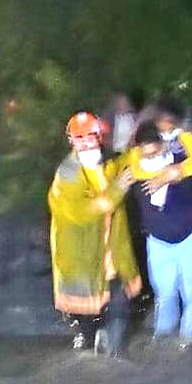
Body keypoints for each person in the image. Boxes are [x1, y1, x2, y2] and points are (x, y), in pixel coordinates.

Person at [47, 111, 141, 356]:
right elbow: (82, 212)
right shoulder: (67, 174)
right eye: (79, 138)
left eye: (91, 136)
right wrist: (117, 190)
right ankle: (89, 347)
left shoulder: (109, 161)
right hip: (81, 257)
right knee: (85, 315)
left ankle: (115, 357)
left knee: (121, 305)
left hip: (112, 253)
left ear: (101, 136)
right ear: (71, 140)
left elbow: (133, 160)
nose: (86, 142)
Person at [129, 121, 192, 345]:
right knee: (164, 293)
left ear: (163, 146)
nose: (150, 158)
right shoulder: (137, 172)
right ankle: (163, 336)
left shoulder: (183, 165)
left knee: (191, 291)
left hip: (190, 238)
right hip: (158, 242)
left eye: (154, 153)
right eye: (145, 155)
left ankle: (188, 339)